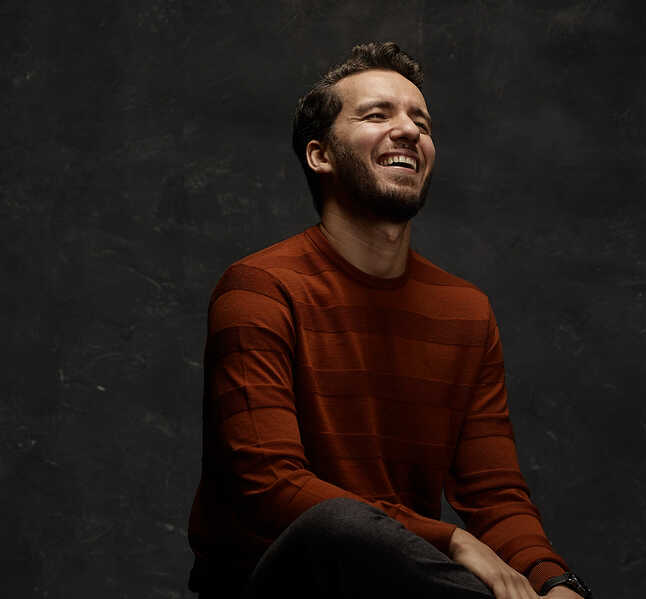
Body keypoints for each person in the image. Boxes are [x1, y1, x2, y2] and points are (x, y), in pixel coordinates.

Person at [186, 42, 592, 599]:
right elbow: (269, 485)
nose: (408, 131)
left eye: (421, 122)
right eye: (377, 115)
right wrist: (451, 539)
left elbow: (496, 497)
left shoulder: (465, 311)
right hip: (278, 585)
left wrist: (558, 582)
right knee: (337, 524)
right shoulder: (260, 288)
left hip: (403, 586)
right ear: (320, 155)